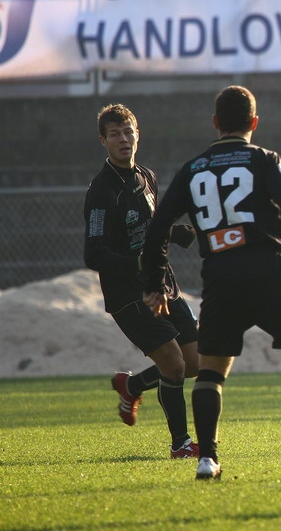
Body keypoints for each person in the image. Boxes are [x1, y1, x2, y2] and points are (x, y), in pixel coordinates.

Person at [140, 85, 281, 480]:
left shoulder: (192, 169)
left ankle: (207, 457)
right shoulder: (266, 159)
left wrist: (154, 283)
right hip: (270, 270)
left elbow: (157, 227)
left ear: (215, 123)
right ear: (254, 122)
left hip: (220, 277)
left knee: (212, 373)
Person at [83, 103, 200, 459]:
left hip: (163, 283)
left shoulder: (146, 176)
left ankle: (131, 385)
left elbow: (150, 230)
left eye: (128, 132)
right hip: (129, 295)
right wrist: (136, 260)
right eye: (115, 134)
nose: (123, 139)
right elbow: (94, 255)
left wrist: (174, 232)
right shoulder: (101, 192)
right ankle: (181, 444)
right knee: (174, 364)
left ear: (138, 135)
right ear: (103, 140)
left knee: (194, 363)